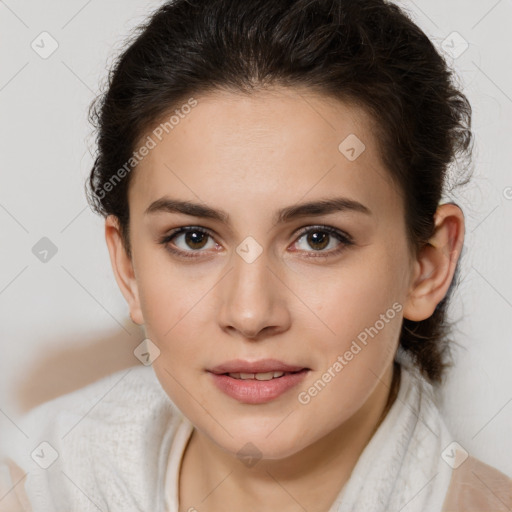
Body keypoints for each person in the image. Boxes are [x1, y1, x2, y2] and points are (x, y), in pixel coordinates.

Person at [1, 0, 511, 510]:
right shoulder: (40, 484)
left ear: (427, 266)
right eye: (193, 238)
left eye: (318, 238)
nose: (250, 313)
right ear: (129, 267)